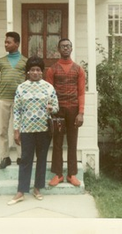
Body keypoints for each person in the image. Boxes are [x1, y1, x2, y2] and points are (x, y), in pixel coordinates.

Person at [7, 56, 59, 205]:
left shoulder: (48, 87)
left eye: (38, 70)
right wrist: (16, 130)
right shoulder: (21, 88)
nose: (35, 72)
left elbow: (56, 106)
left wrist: (52, 108)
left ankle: (37, 188)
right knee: (25, 160)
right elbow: (16, 111)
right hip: (26, 130)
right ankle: (21, 191)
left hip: (44, 130)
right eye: (32, 70)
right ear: (28, 72)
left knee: (41, 160)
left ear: (42, 72)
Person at [0, 32, 27, 169]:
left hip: (20, 101)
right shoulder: (1, 61)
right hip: (3, 99)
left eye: (8, 42)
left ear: (17, 44)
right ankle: (5, 157)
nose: (5, 44)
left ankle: (21, 157)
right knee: (3, 129)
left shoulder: (26, 61)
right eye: (5, 42)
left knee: (20, 129)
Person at [46, 38, 86, 187]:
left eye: (68, 46)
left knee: (72, 142)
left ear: (72, 49)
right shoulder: (52, 69)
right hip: (57, 110)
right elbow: (48, 93)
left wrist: (81, 112)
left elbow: (81, 92)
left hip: (73, 109)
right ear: (58, 49)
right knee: (57, 142)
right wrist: (50, 111)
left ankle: (71, 174)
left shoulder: (78, 69)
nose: (66, 48)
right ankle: (58, 174)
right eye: (63, 46)